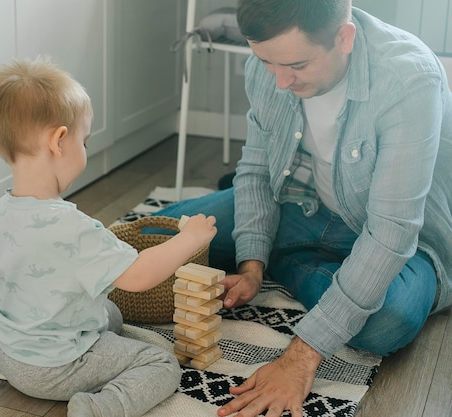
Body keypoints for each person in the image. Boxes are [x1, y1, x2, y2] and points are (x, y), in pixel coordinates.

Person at [154, 1, 452, 416]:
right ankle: (284, 258)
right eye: (265, 61)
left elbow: (392, 230)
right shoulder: (273, 64)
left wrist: (301, 356)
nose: (279, 81)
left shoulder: (408, 78)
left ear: (343, 38)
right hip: (299, 204)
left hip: (400, 238)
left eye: (296, 65)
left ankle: (288, 259)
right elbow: (257, 169)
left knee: (387, 322)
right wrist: (251, 264)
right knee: (157, 239)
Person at [0, 57, 217, 417]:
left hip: (12, 352)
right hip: (56, 368)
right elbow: (137, 276)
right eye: (84, 141)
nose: (84, 150)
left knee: (107, 313)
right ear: (59, 141)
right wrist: (189, 239)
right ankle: (98, 409)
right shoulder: (71, 229)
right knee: (161, 365)